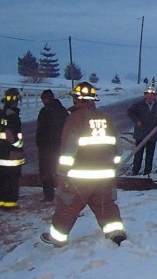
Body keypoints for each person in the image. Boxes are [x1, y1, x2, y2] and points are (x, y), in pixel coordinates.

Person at [41, 82, 126, 247]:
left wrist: (61, 174)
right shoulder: (106, 118)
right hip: (105, 176)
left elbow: (68, 150)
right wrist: (113, 169)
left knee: (67, 206)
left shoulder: (74, 119)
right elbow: (118, 149)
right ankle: (116, 233)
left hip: (79, 177)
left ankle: (57, 238)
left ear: (77, 100)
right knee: (106, 205)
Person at [0, 88, 25, 209]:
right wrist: (19, 145)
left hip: (0, 154)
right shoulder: (13, 118)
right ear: (15, 101)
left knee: (2, 179)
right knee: (12, 180)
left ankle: (0, 201)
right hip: (12, 155)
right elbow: (12, 137)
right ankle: (10, 204)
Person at [128, 86, 157, 176]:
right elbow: (130, 112)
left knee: (150, 154)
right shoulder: (138, 105)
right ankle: (135, 170)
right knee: (138, 153)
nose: (149, 96)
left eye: (152, 94)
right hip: (140, 133)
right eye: (148, 94)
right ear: (145, 95)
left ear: (154, 96)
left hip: (152, 134)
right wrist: (137, 120)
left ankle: (147, 171)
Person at [36, 89, 69, 202]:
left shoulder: (45, 111)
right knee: (60, 171)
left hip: (47, 147)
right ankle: (64, 193)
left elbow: (40, 129)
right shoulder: (62, 110)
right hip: (59, 146)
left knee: (46, 172)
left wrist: (40, 143)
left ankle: (49, 195)